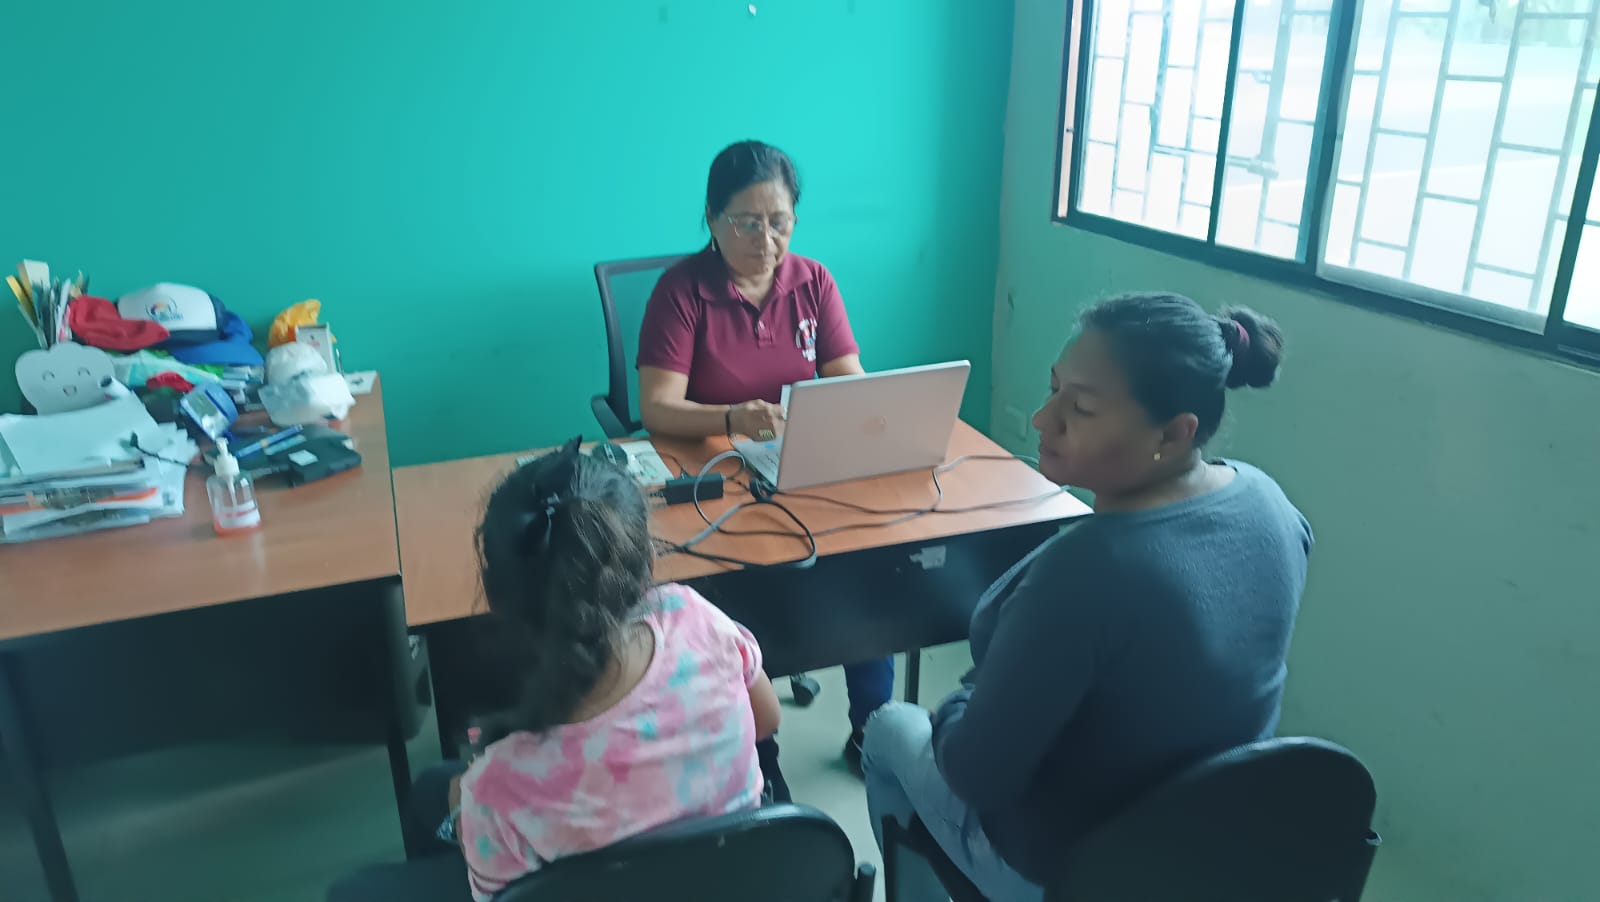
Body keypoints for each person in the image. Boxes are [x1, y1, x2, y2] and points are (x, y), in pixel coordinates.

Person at [861, 293, 1313, 900]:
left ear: (1173, 433)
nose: (1041, 420)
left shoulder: (1087, 571)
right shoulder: (1271, 503)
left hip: (1078, 871)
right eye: (1054, 390)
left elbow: (975, 775)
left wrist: (962, 703)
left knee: (889, 727)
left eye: (1081, 408)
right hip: (1207, 844)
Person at [327, 441, 781, 902]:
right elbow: (767, 719)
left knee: (354, 887)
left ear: (497, 597)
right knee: (431, 790)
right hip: (728, 878)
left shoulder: (500, 788)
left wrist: (469, 813)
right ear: (645, 564)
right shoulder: (699, 621)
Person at [635, 139, 892, 770]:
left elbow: (847, 378)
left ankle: (875, 732)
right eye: (747, 223)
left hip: (796, 468)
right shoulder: (681, 291)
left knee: (869, 573)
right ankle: (758, 752)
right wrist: (731, 417)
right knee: (738, 598)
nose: (766, 240)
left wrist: (865, 412)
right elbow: (657, 408)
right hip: (713, 481)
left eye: (780, 222)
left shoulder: (813, 282)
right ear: (712, 219)